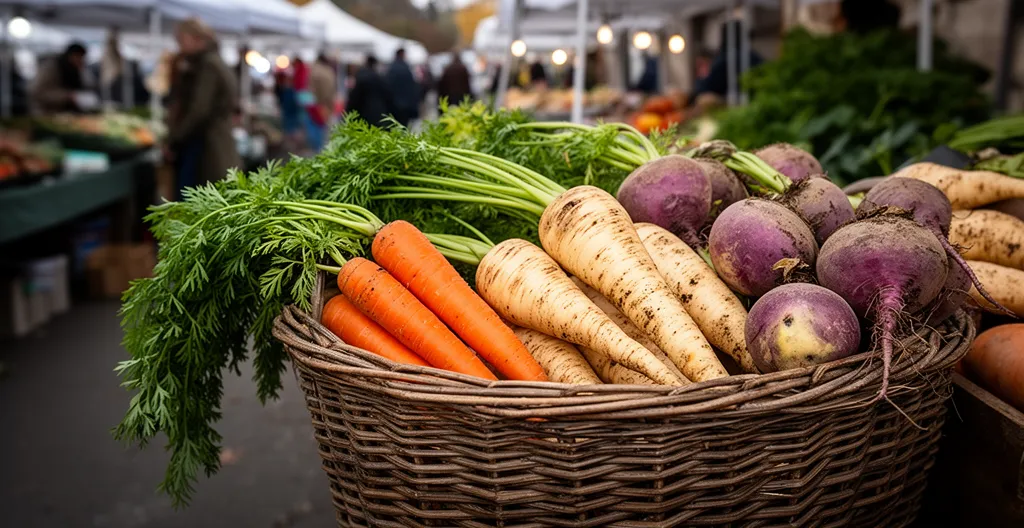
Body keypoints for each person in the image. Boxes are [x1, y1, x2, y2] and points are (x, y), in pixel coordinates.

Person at [165, 18, 240, 199]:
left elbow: (199, 110)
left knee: (193, 203)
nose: (179, 45)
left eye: (181, 40)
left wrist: (174, 140)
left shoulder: (207, 65)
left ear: (197, 39)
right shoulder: (214, 61)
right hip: (211, 141)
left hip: (205, 145)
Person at [686, 20, 764, 107]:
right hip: (753, 103)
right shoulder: (754, 57)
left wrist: (696, 89)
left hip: (731, 105)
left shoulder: (727, 57)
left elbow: (708, 84)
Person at [30, 42, 89, 114]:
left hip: (65, 113)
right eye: (78, 57)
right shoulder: (51, 68)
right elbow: (37, 93)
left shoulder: (75, 70)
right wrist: (67, 96)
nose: (81, 61)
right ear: (71, 55)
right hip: (47, 113)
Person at [346, 55, 394, 128]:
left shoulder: (361, 78)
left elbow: (354, 100)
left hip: (362, 117)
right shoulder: (380, 79)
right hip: (379, 116)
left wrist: (348, 115)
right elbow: (389, 98)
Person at [307, 53, 337, 150]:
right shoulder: (329, 71)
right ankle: (324, 148)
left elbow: (311, 89)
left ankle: (318, 149)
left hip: (317, 103)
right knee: (325, 127)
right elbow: (332, 88)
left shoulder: (314, 71)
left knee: (317, 126)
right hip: (327, 102)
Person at [385, 48, 420, 128]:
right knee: (404, 127)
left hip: (394, 105)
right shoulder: (406, 68)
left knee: (394, 127)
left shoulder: (391, 68)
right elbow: (412, 88)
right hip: (405, 105)